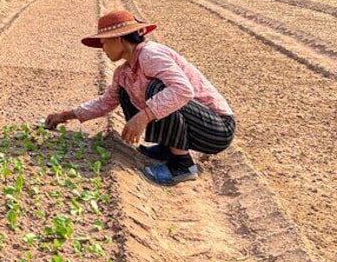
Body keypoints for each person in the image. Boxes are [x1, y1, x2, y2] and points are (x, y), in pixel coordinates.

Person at [44, 10, 235, 186]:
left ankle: (183, 165)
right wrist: (66, 115)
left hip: (216, 129)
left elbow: (183, 90)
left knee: (157, 89)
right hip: (195, 124)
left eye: (104, 43)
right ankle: (168, 148)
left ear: (118, 39)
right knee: (125, 91)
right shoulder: (124, 72)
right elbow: (105, 102)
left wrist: (144, 116)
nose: (103, 49)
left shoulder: (149, 54)